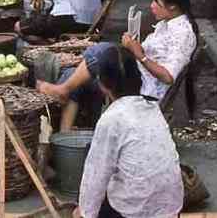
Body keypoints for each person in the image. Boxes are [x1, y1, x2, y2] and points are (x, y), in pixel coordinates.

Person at [38, 0, 198, 132]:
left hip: (144, 90)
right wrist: (133, 45)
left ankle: (63, 90)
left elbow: (168, 76)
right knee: (72, 73)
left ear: (173, 6)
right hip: (136, 76)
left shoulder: (183, 33)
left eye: (157, 2)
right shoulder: (166, 24)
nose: (152, 6)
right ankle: (65, 138)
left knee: (101, 52)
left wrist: (139, 54)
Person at [72, 46, 184, 218]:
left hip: (134, 212)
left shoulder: (112, 119)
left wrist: (84, 212)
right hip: (171, 207)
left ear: (102, 83)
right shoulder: (153, 108)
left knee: (94, 157)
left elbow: (96, 174)